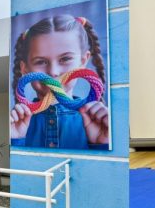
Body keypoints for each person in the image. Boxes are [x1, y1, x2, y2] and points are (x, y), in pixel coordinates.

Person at [10, 15, 109, 149]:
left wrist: (102, 144)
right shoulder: (15, 125)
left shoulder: (99, 123)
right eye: (41, 61)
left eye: (65, 59)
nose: (53, 72)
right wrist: (14, 140)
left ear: (82, 61)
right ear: (25, 68)